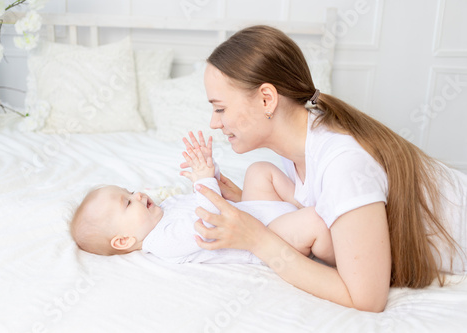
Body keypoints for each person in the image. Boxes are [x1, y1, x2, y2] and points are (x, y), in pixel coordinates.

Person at [191, 25, 467, 312]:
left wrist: (258, 239)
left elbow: (367, 299)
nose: (214, 122)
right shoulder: (302, 140)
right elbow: (324, 209)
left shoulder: (343, 162)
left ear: (266, 99)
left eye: (220, 108)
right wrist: (246, 205)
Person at [69, 135, 335, 266]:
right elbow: (209, 224)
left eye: (129, 191)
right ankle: (337, 250)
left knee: (258, 170)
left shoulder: (165, 209)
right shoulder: (163, 242)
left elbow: (212, 198)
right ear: (124, 240)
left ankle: (305, 201)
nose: (137, 195)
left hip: (254, 211)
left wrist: (211, 173)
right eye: (127, 203)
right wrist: (203, 181)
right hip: (268, 237)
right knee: (315, 223)